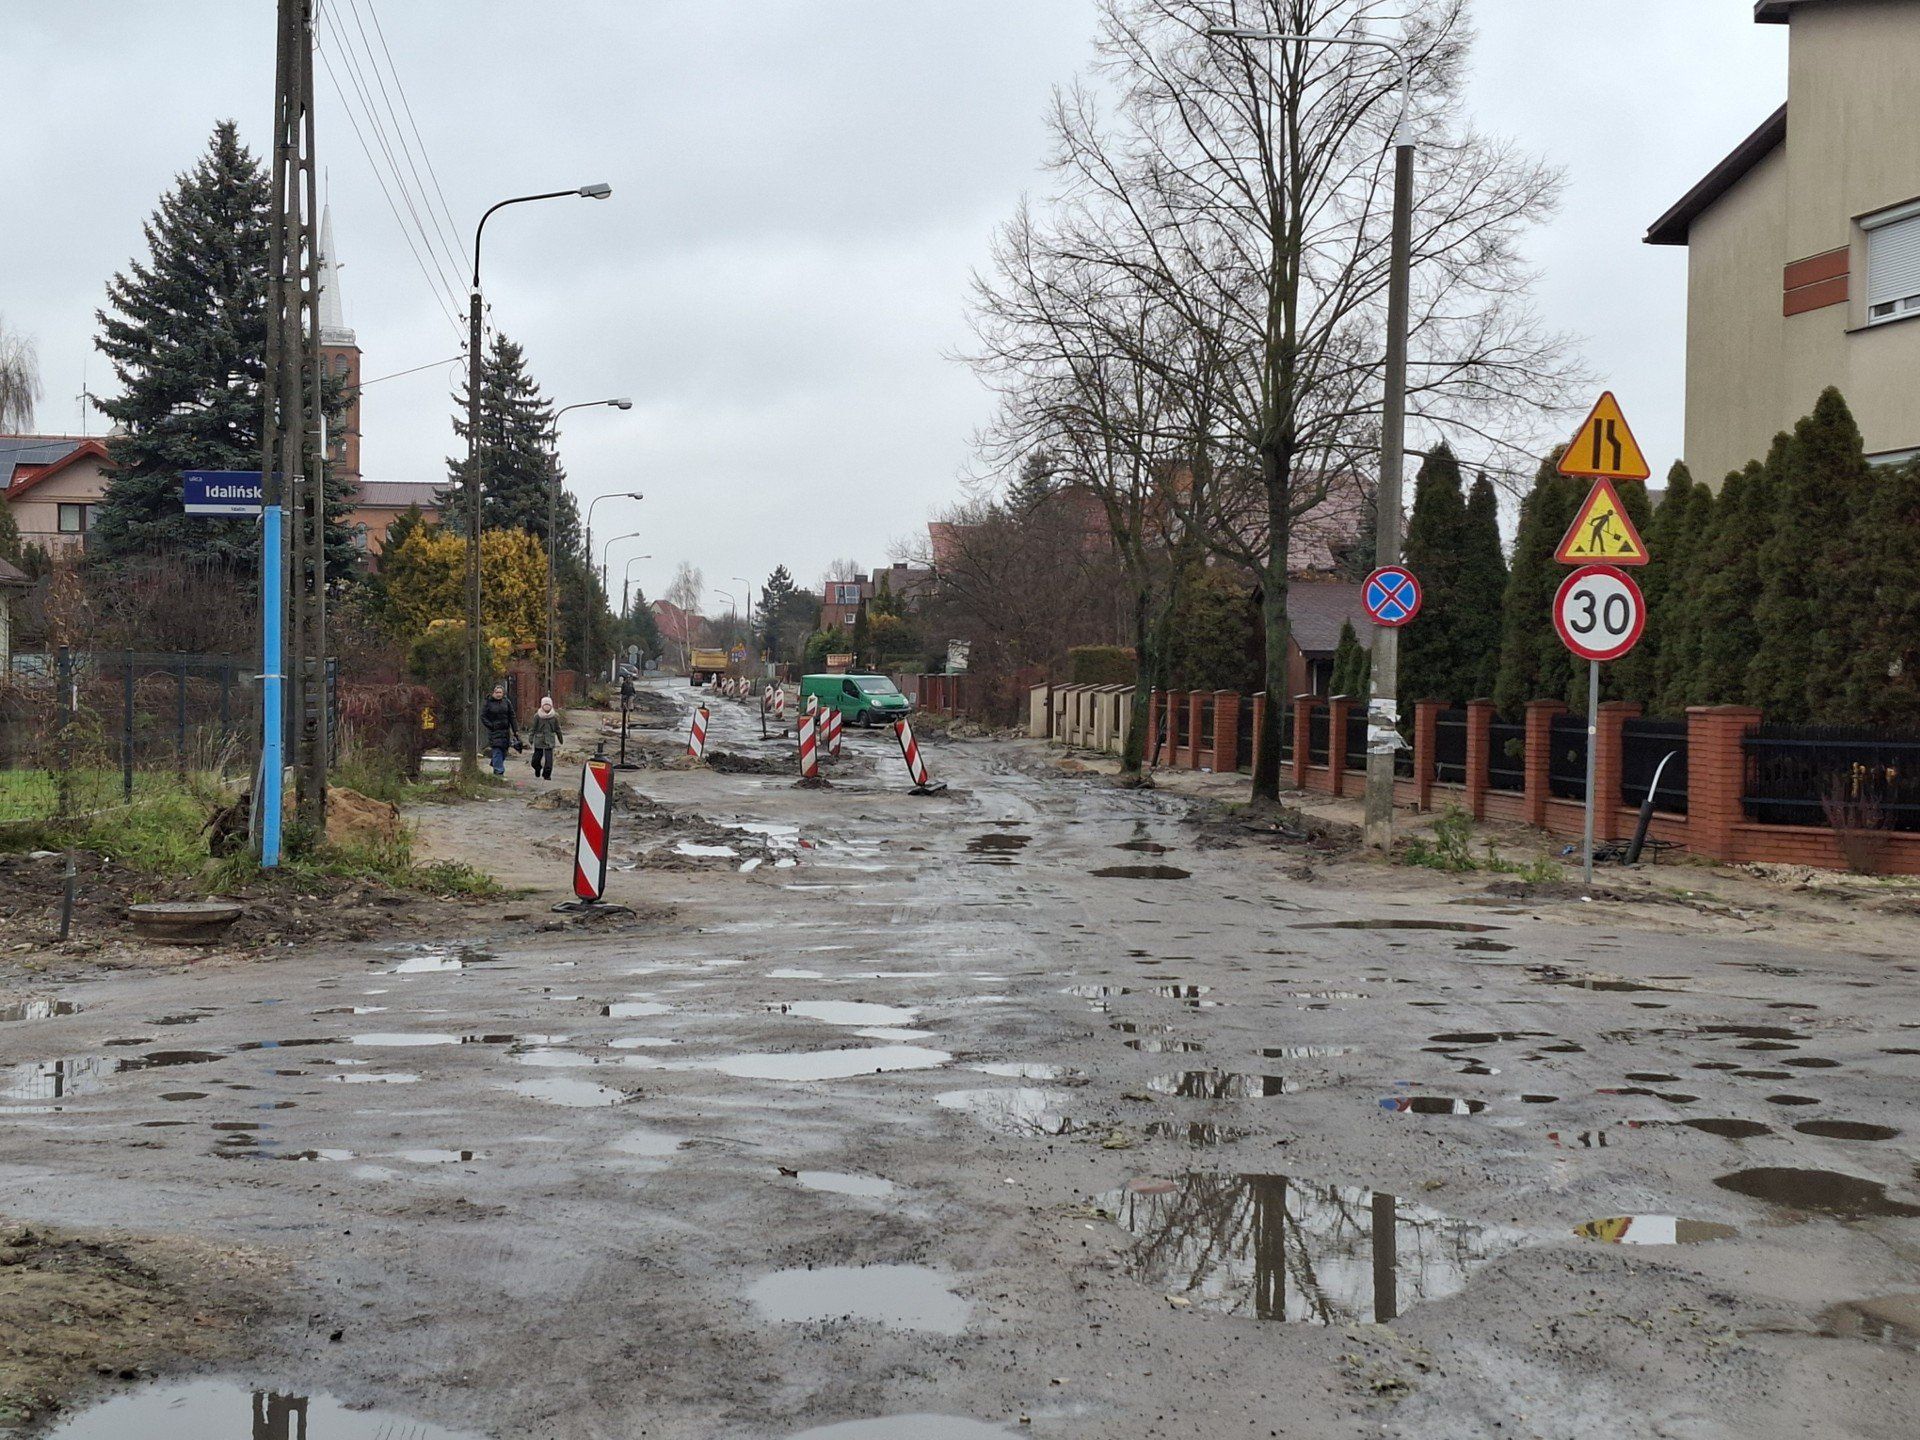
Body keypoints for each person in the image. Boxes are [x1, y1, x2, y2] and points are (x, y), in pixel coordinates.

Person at [480, 683, 518, 777]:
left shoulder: (506, 702)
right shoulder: (488, 703)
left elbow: (512, 716)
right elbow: (483, 716)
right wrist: (491, 725)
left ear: (503, 693)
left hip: (505, 731)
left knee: (504, 751)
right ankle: (499, 772)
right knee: (497, 749)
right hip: (494, 730)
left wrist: (515, 730)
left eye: (500, 692)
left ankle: (495, 762)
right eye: (497, 692)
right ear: (493, 693)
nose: (498, 694)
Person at [528, 696, 563, 780]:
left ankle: (546, 775)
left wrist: (560, 738)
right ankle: (537, 768)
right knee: (535, 760)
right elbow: (533, 728)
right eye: (545, 705)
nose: (547, 707)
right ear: (542, 706)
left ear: (551, 706)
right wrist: (531, 738)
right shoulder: (537, 716)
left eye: (548, 705)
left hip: (549, 741)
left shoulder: (554, 716)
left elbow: (557, 728)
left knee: (549, 761)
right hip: (539, 741)